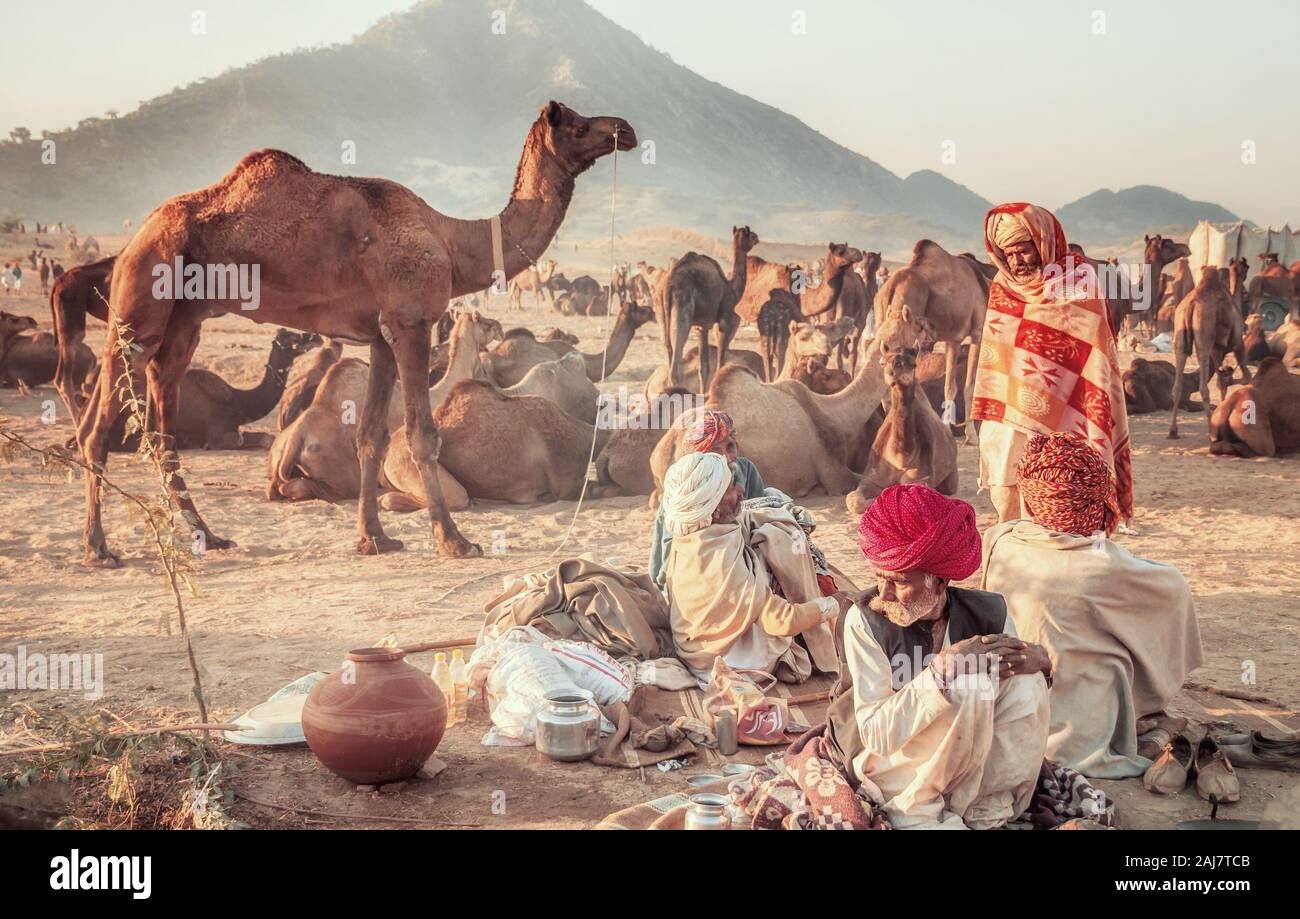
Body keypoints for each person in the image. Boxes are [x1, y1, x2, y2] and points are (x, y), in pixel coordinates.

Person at [822, 484, 1052, 829]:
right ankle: (917, 809)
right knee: (965, 683)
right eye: (878, 577)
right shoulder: (865, 619)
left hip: (968, 760)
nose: (884, 594)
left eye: (899, 582)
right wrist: (938, 674)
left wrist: (1041, 660)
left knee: (1023, 680)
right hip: (886, 760)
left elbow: (1022, 698)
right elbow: (876, 735)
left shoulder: (989, 613)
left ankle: (987, 808)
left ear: (939, 582)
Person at [982, 432, 1202, 778]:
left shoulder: (1000, 540)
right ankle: (1143, 724)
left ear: (1030, 498)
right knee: (1112, 655)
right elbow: (1173, 590)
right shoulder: (1107, 566)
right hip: (1071, 737)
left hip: (1003, 716)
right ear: (1096, 501)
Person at [971, 203, 1132, 526]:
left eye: (1023, 251)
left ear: (1044, 241)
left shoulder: (1079, 283)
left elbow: (1094, 363)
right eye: (1007, 253)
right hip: (1006, 425)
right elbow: (997, 360)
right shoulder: (1002, 288)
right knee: (1008, 516)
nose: (1015, 261)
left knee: (1059, 519)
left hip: (1065, 427)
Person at [659, 452, 849, 686]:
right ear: (715, 510)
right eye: (730, 488)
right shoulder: (722, 564)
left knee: (771, 528)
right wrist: (830, 605)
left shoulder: (691, 537)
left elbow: (746, 518)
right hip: (731, 665)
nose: (740, 490)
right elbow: (782, 621)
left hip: (694, 650)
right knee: (777, 547)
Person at [647, 410, 770, 592]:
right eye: (714, 451)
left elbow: (761, 520)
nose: (726, 458)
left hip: (745, 562)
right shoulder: (686, 483)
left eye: (729, 448)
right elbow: (670, 549)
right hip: (698, 570)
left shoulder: (745, 470)